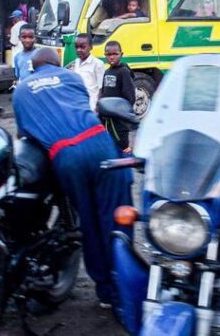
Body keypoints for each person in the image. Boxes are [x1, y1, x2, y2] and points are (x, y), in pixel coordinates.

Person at [12, 47, 133, 307]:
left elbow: (25, 136)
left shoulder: (21, 90)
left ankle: (105, 294)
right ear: (58, 64)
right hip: (99, 143)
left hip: (66, 157)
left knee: (88, 225)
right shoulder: (72, 78)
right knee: (115, 218)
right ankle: (126, 289)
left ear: (34, 67)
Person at [99, 41, 136, 153]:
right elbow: (104, 92)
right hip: (107, 119)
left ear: (121, 54)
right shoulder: (107, 72)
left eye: (115, 54)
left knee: (122, 146)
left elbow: (130, 96)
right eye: (109, 55)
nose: (112, 57)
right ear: (105, 55)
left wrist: (122, 114)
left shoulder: (123, 72)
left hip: (119, 120)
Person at [70, 33, 105, 109]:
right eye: (76, 47)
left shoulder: (97, 64)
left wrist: (97, 107)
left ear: (91, 47)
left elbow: (101, 88)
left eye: (82, 47)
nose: (79, 50)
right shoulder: (76, 62)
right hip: (77, 104)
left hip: (91, 106)